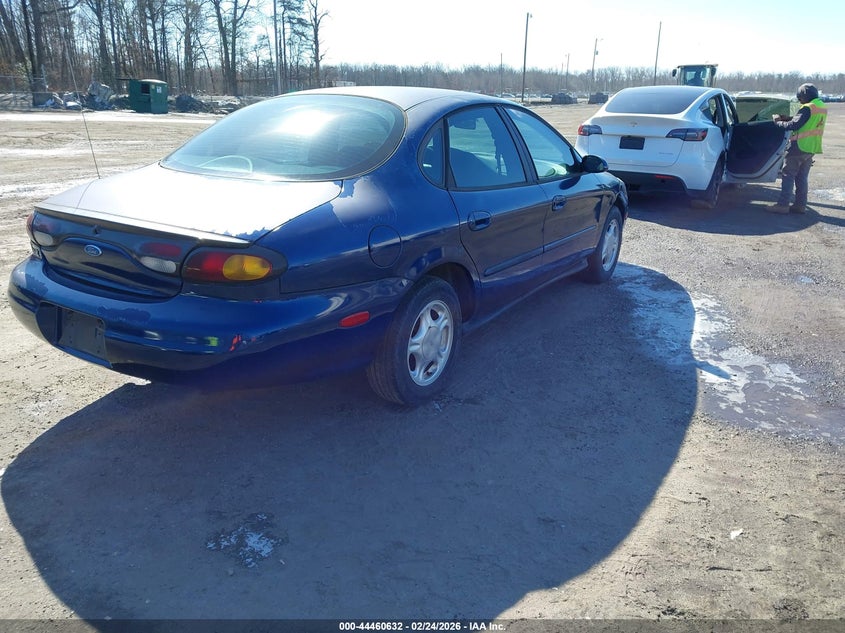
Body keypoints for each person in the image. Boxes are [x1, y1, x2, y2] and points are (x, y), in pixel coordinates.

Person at [768, 83, 827, 214]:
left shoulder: (807, 108)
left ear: (805, 96)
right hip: (811, 147)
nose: (800, 101)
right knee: (801, 177)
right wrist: (788, 118)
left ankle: (783, 205)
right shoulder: (820, 106)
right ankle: (800, 205)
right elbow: (805, 121)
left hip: (799, 146)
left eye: (800, 98)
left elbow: (794, 125)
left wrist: (778, 122)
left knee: (788, 175)